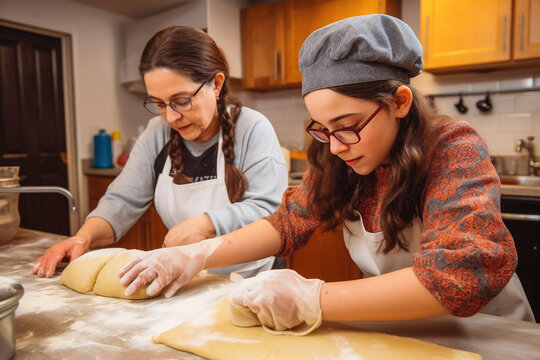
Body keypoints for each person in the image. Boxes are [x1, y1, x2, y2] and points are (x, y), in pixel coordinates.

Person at [118, 15, 535, 327]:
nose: (335, 146)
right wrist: (197, 255)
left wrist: (312, 297)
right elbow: (288, 224)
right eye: (323, 129)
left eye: (348, 126)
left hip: (488, 333)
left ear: (400, 102)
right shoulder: (340, 158)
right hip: (406, 328)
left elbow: (455, 274)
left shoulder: (451, 148)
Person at [33, 26, 288, 280]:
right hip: (189, 281)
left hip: (253, 280)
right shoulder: (157, 133)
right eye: (159, 104)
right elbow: (121, 200)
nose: (171, 117)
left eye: (182, 100)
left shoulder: (252, 128)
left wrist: (206, 224)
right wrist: (83, 237)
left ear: (216, 84)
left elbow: (271, 213)